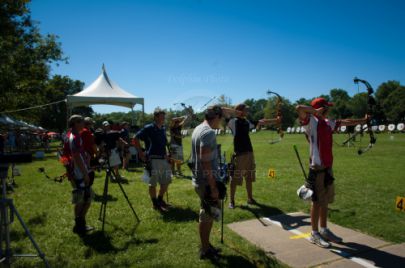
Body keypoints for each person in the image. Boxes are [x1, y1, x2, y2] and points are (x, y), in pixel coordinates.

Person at [296, 98, 369, 248]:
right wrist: (314, 112)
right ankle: (314, 233)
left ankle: (324, 229)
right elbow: (299, 108)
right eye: (326, 108)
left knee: (325, 201)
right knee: (316, 202)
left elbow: (345, 121)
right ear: (321, 109)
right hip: (316, 168)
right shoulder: (310, 122)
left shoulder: (328, 122)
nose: (329, 110)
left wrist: (363, 120)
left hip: (328, 168)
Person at [191, 105, 237, 260]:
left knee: (206, 214)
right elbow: (205, 161)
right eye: (221, 118)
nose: (222, 121)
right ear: (216, 117)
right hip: (206, 182)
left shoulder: (198, 128)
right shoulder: (209, 132)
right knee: (206, 216)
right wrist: (213, 187)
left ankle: (206, 245)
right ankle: (205, 250)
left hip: (199, 179)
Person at [133, 108, 172, 212]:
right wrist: (140, 153)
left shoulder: (163, 128)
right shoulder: (149, 128)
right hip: (153, 159)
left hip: (164, 159)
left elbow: (163, 144)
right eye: (161, 116)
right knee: (153, 183)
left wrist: (167, 154)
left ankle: (160, 200)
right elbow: (135, 138)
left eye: (164, 116)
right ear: (155, 117)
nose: (163, 118)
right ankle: (155, 204)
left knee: (166, 182)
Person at [67, 115, 94, 235]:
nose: (84, 123)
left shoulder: (71, 135)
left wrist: (86, 157)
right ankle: (79, 225)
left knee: (82, 198)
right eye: (82, 122)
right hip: (79, 173)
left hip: (76, 171)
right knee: (85, 199)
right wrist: (85, 173)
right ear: (75, 123)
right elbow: (76, 156)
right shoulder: (75, 137)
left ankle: (79, 224)